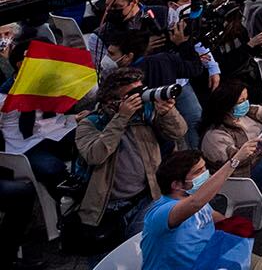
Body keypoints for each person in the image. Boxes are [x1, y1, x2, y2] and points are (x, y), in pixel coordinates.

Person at [77, 66, 190, 233]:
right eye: (133, 93)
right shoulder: (91, 123)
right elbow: (95, 156)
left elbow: (179, 132)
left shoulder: (144, 115)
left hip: (146, 197)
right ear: (112, 100)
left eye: (141, 89)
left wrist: (168, 112)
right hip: (108, 205)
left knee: (142, 247)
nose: (140, 96)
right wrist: (121, 118)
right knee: (108, 256)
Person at [142, 143, 262, 270]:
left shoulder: (191, 197)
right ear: (176, 184)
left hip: (213, 259)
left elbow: (214, 217)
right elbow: (195, 203)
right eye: (198, 171)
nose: (205, 174)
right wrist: (235, 160)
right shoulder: (161, 212)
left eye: (205, 168)